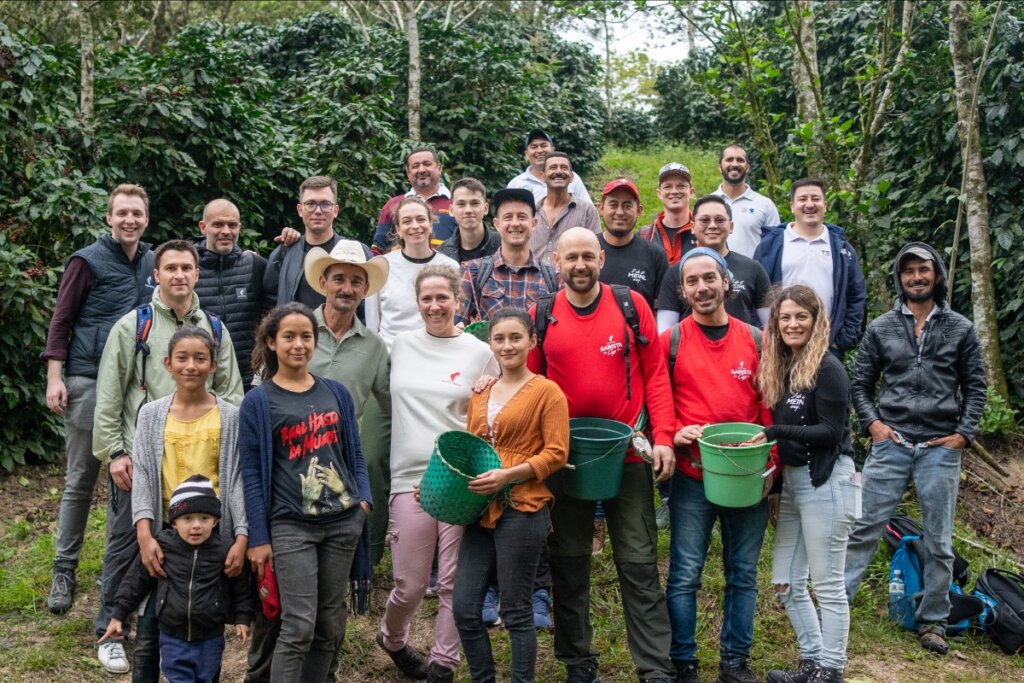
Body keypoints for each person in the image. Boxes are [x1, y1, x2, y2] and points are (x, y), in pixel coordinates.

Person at [528, 228, 677, 683]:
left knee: (638, 560)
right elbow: (530, 385)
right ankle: (577, 660)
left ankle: (654, 666)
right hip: (565, 456)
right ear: (557, 261)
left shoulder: (631, 306)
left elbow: (655, 376)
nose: (580, 265)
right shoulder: (544, 313)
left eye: (587, 257)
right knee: (569, 559)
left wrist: (665, 436)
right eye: (570, 257)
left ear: (600, 260)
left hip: (627, 452)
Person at [241, 240, 392, 683]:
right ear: (271, 341)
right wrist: (258, 536)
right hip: (291, 524)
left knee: (330, 624)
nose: (299, 344)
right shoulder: (259, 401)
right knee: (299, 623)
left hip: (341, 520)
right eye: (288, 336)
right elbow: (251, 473)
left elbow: (354, 453)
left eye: (305, 336)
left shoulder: (336, 393)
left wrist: (363, 501)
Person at [92, 239, 244, 679]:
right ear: (155, 275)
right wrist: (116, 453)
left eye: (187, 268)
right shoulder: (133, 325)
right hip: (146, 466)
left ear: (198, 274)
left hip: (205, 483)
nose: (179, 275)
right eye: (170, 268)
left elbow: (232, 389)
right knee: (131, 553)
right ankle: (113, 631)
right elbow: (110, 394)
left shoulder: (214, 329)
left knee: (182, 570)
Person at [845, 242, 987, 655]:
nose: (916, 277)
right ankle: (838, 606)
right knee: (864, 529)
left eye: (923, 270)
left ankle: (933, 622)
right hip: (892, 442)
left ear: (937, 275)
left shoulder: (960, 328)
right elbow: (860, 382)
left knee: (940, 540)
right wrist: (872, 424)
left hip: (941, 447)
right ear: (900, 278)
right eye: (908, 271)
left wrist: (965, 433)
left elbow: (976, 385)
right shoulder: (882, 327)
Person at [661, 247, 779, 683]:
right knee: (685, 572)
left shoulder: (757, 340)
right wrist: (673, 430)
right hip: (694, 476)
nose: (702, 287)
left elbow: (771, 408)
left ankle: (735, 662)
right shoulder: (669, 342)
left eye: (709, 277)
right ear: (683, 291)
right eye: (692, 281)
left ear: (726, 282)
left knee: (743, 573)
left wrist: (772, 465)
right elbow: (657, 401)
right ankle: (684, 661)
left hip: (747, 474)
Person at [377, 264, 499, 683]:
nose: (434, 305)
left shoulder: (478, 352)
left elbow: (495, 410)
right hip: (408, 475)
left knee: (451, 581)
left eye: (442, 297)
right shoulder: (399, 346)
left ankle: (444, 664)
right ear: (417, 303)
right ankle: (391, 638)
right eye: (426, 298)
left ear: (457, 300)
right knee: (409, 585)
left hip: (458, 480)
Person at [43, 183, 156, 621]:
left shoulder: (152, 261)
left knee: (126, 484)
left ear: (146, 218)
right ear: (109, 217)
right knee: (80, 481)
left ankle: (119, 573)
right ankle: (63, 569)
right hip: (89, 380)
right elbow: (62, 320)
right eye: (122, 213)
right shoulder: (86, 261)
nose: (130, 220)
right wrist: (56, 376)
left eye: (137, 214)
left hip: (137, 387)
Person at [452, 307, 570, 683]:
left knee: (517, 610)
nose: (507, 345)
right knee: (465, 607)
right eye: (499, 338)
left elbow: (556, 453)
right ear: (490, 343)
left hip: (524, 506)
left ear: (532, 342)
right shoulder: (482, 391)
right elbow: (472, 449)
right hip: (481, 509)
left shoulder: (547, 391)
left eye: (516, 337)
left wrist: (507, 475)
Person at [747, 286, 858, 683]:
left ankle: (832, 668)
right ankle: (811, 660)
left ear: (817, 321)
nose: (792, 324)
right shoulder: (785, 367)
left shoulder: (828, 368)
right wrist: (777, 488)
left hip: (827, 479)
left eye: (801, 317)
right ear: (775, 324)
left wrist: (775, 430)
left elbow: (831, 431)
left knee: (827, 583)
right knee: (785, 581)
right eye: (785, 317)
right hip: (794, 482)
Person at [100, 475, 253, 683]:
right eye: (188, 519)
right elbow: (135, 581)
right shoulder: (163, 546)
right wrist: (118, 615)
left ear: (216, 520)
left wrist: (242, 618)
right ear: (174, 522)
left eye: (204, 518)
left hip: (211, 636)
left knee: (206, 677)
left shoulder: (224, 549)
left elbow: (240, 587)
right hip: (172, 636)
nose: (196, 526)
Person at [753, 179, 866, 353]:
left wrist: (842, 340)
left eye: (815, 199)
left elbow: (856, 294)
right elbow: (756, 293)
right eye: (802, 199)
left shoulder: (841, 248)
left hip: (827, 345)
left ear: (825, 204)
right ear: (792, 206)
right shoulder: (771, 246)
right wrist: (767, 336)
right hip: (782, 343)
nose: (809, 204)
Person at [656, 195, 771, 333]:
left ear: (731, 226)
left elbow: (771, 327)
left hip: (742, 350)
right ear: (692, 227)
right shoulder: (677, 272)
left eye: (720, 220)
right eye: (704, 220)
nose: (712, 225)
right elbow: (664, 332)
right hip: (690, 351)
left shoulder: (753, 269)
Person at [193, 198, 273, 391]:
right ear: (203, 227)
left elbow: (272, 317)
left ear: (240, 227)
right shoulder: (189, 268)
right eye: (218, 224)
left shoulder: (256, 265)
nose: (226, 231)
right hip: (201, 377)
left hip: (249, 378)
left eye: (232, 225)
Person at [365, 196, 461, 349]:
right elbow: (372, 326)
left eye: (421, 219)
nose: (415, 226)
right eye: (407, 221)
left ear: (430, 224)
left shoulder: (450, 267)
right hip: (391, 361)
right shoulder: (381, 267)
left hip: (437, 354)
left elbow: (455, 319)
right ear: (398, 229)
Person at [264, 175, 372, 310]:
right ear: (300, 210)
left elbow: (370, 305)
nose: (318, 211)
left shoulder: (357, 252)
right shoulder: (284, 253)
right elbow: (269, 302)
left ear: (336, 210)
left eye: (325, 204)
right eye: (310, 204)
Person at [458, 187, 559, 325]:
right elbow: (456, 329)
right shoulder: (472, 272)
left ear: (533, 224)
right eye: (508, 217)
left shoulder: (552, 276)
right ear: (497, 224)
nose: (515, 223)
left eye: (522, 217)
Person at [597, 178, 668, 311]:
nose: (619, 212)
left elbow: (661, 309)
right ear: (601, 208)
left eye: (627, 205)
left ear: (639, 210)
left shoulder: (655, 255)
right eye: (613, 204)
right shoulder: (587, 251)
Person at [372, 148, 458, 254]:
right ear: (408, 174)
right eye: (415, 166)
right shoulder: (393, 205)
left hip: (447, 269)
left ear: (439, 168)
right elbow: (378, 249)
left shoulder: (457, 204)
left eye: (427, 164)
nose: (421, 170)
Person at [711, 144, 781, 258]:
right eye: (729, 159)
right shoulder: (707, 203)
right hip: (714, 273)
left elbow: (774, 247)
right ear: (719, 167)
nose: (734, 164)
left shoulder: (765, 205)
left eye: (740, 160)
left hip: (753, 274)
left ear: (747, 167)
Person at [530, 151, 600, 264]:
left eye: (563, 167)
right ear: (543, 176)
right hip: (534, 280)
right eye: (553, 167)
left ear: (572, 177)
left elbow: (595, 250)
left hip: (571, 279)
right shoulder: (531, 212)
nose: (558, 171)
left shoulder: (587, 210)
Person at [507, 128, 592, 204]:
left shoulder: (571, 177)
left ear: (552, 150)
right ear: (526, 154)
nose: (539, 150)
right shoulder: (516, 184)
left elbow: (589, 210)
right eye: (534, 147)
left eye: (544, 145)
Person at [638, 163, 698, 265]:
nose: (674, 191)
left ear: (691, 192)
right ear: (659, 193)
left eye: (681, 186)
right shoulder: (644, 236)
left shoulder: (704, 232)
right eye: (667, 187)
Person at [438, 177, 501, 264]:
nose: (468, 210)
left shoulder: (503, 244)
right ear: (451, 210)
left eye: (475, 203)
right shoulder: (443, 253)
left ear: (486, 208)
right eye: (461, 204)